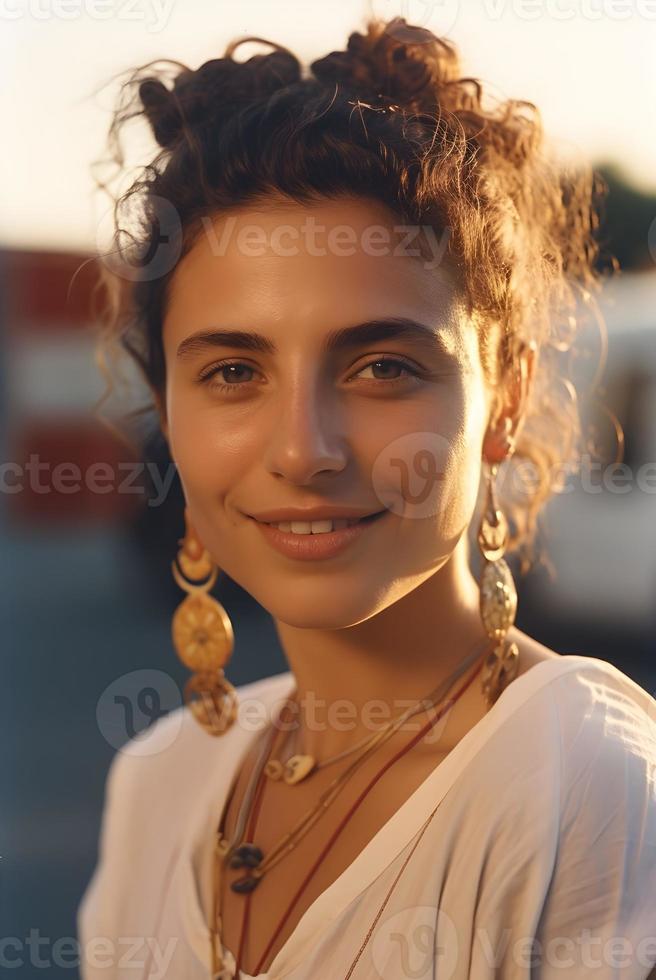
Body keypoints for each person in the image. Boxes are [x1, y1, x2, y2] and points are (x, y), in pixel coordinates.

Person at [76, 15, 656, 979]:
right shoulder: (159, 784)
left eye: (383, 365)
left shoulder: (586, 785)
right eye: (232, 373)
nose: (304, 451)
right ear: (166, 408)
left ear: (504, 397)